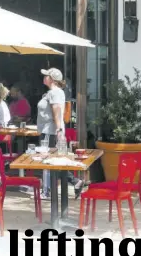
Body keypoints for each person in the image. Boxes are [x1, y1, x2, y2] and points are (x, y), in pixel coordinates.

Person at [37, 68, 83, 199]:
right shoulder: (53, 92)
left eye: (46, 75)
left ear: (51, 79)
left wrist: (58, 130)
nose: (44, 77)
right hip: (49, 130)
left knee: (47, 160)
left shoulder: (55, 93)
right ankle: (75, 182)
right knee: (52, 160)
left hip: (50, 131)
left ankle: (47, 190)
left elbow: (57, 112)